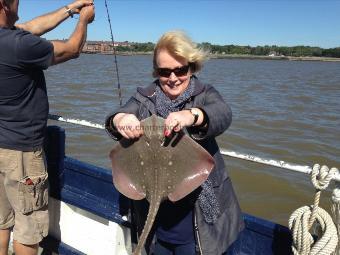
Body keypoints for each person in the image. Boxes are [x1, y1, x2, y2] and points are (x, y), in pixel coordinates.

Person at [105, 31, 244, 255]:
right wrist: (121, 119)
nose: (173, 78)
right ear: (156, 71)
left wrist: (193, 115)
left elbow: (223, 113)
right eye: (164, 71)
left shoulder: (205, 93)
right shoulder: (144, 98)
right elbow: (118, 115)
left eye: (180, 70)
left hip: (197, 219)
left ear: (192, 67)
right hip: (155, 217)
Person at [0, 0, 95, 254]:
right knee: (28, 229)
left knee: (1, 221)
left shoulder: (13, 39)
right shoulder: (19, 45)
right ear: (4, 4)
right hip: (22, 151)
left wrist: (68, 10)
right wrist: (84, 19)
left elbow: (31, 26)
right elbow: (72, 49)